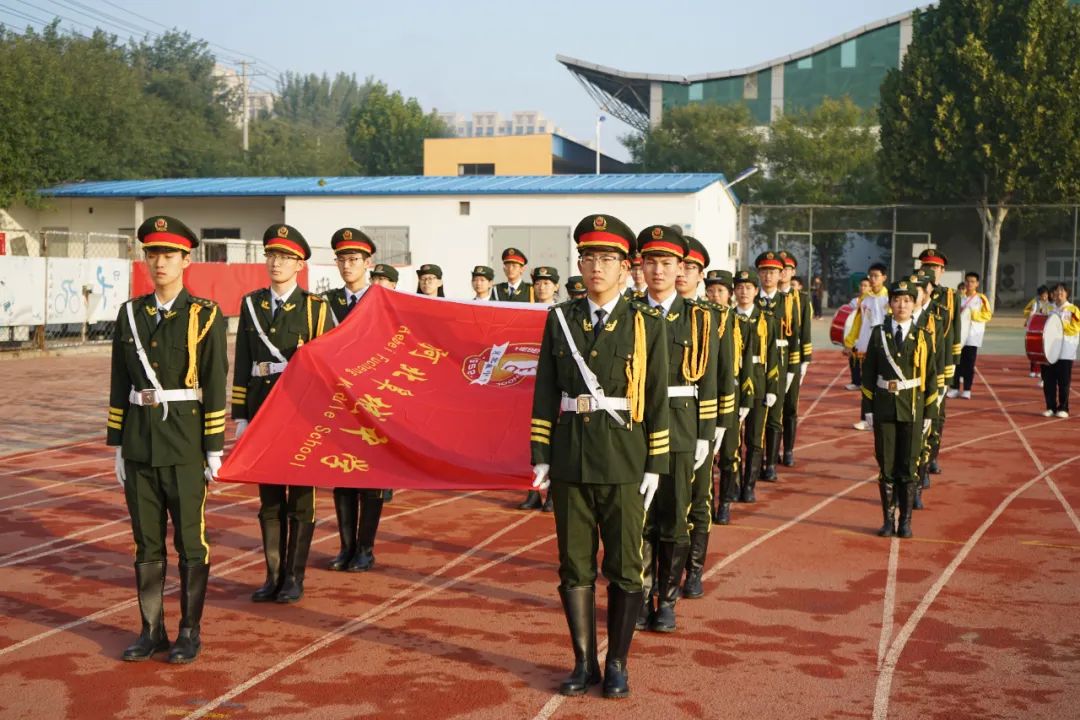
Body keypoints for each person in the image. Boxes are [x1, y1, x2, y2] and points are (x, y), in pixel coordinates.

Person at [530, 213, 670, 699]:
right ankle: (583, 661)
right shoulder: (560, 320)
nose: (596, 267)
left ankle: (617, 663)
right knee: (574, 566)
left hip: (624, 459)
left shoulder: (646, 323)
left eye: (607, 259)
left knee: (626, 567)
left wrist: (655, 463)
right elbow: (545, 390)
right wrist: (541, 453)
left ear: (625, 267)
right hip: (570, 458)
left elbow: (656, 397)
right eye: (588, 257)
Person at [108, 215, 227, 664]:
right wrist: (118, 444)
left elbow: (214, 381)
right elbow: (119, 381)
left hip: (184, 445)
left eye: (169, 255)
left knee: (191, 543)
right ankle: (151, 630)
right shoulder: (130, 314)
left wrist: (213, 447)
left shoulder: (205, 315)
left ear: (186, 260)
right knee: (147, 542)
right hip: (140, 443)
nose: (160, 262)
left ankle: (189, 632)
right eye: (153, 254)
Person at [233, 224, 328, 604]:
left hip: (300, 414)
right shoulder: (251, 305)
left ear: (300, 265)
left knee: (301, 499)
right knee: (270, 499)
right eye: (271, 255)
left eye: (286, 258)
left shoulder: (315, 309)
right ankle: (272, 575)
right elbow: (242, 360)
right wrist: (241, 415)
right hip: (262, 410)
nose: (277, 263)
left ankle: (294, 577)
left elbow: (327, 366)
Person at [634, 227, 717, 633]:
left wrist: (705, 433)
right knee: (638, 519)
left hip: (682, 426)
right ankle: (639, 595)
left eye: (667, 263)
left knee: (674, 517)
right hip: (637, 426)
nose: (658, 270)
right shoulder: (629, 313)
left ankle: (666, 600)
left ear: (680, 268)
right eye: (650, 262)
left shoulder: (699, 318)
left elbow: (711, 378)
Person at [323, 228, 390, 573]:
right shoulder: (325, 303)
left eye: (353, 259)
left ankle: (366, 548)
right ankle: (346, 546)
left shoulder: (383, 301)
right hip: (338, 401)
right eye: (342, 259)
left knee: (371, 478)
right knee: (342, 475)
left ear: (368, 263)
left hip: (375, 401)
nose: (347, 265)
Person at [676, 239, 733, 600]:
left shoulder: (712, 317)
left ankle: (694, 570)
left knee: (698, 499)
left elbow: (723, 375)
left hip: (698, 420)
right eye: (678, 265)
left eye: (690, 268)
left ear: (700, 275)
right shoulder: (643, 313)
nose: (681, 273)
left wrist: (718, 426)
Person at [862, 279, 940, 539]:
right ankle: (888, 521)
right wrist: (868, 409)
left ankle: (905, 522)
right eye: (897, 300)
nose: (902, 305)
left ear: (914, 303)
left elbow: (931, 377)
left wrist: (930, 413)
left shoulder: (923, 336)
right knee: (886, 466)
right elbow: (868, 374)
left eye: (907, 300)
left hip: (913, 408)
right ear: (890, 304)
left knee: (908, 467)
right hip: (884, 407)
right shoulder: (878, 334)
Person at [732, 269, 778, 505]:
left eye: (748, 288)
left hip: (758, 380)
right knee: (733, 439)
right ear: (734, 291)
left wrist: (772, 388)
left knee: (754, 438)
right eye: (740, 287)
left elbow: (773, 354)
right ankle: (733, 484)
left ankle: (749, 485)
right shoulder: (729, 318)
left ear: (756, 291)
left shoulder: (766, 319)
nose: (744, 292)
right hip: (734, 381)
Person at [755, 251, 800, 482]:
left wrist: (793, 369)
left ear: (780, 274)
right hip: (755, 364)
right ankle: (755, 462)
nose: (768, 276)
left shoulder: (788, 302)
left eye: (773, 271)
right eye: (764, 271)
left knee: (775, 415)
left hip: (780, 363)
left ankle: (771, 463)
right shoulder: (752, 300)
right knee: (755, 416)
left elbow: (795, 337)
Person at [918, 249, 961, 475]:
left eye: (935, 267)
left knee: (936, 413)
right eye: (927, 266)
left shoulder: (951, 296)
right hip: (917, 362)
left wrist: (953, 365)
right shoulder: (913, 292)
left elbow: (954, 332)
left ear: (943, 271)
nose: (931, 271)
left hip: (941, 364)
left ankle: (931, 455)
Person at [778, 252, 813, 466]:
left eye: (787, 269)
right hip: (772, 358)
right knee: (770, 408)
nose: (783, 272)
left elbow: (805, 330)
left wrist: (805, 360)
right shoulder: (766, 297)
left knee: (790, 407)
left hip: (793, 358)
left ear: (793, 272)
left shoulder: (801, 299)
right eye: (779, 269)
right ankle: (771, 451)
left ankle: (788, 449)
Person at [846, 263, 889, 430]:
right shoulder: (865, 299)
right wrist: (850, 342)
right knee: (867, 384)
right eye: (870, 275)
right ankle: (866, 419)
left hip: (884, 348)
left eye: (876, 276)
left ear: (884, 278)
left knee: (882, 385)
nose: (872, 279)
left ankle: (883, 419)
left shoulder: (890, 298)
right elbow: (858, 322)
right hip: (865, 347)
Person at [948, 271, 993, 399]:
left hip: (973, 336)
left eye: (972, 282)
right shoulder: (958, 297)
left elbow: (988, 315)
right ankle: (954, 388)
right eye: (967, 281)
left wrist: (971, 314)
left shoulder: (981, 299)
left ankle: (967, 389)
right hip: (958, 336)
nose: (969, 284)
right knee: (956, 363)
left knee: (969, 364)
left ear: (977, 284)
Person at [1041, 283, 1079, 418]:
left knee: (1063, 382)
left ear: (1067, 293)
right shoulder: (1049, 309)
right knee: (1048, 381)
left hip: (1065, 352)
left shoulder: (1073, 310)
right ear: (1053, 294)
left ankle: (1063, 408)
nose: (1059, 293)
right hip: (1049, 351)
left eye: (1062, 291)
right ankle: (1050, 407)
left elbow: (1076, 328)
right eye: (1056, 291)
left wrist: (1059, 326)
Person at [844, 278, 871, 390]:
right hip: (856, 337)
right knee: (853, 359)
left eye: (866, 285)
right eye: (861, 285)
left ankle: (866, 383)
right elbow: (849, 317)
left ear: (870, 287)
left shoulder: (872, 301)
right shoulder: (855, 301)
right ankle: (856, 382)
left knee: (867, 362)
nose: (863, 288)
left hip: (867, 336)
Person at [1024, 285, 1051, 379]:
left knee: (1043, 351)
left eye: (1046, 295)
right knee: (1034, 349)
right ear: (1039, 295)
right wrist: (1028, 322)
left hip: (1045, 329)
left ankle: (1040, 371)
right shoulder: (1036, 303)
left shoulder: (1050, 304)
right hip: (1036, 328)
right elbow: (1032, 313)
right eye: (1043, 295)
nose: (1044, 297)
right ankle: (1033, 370)